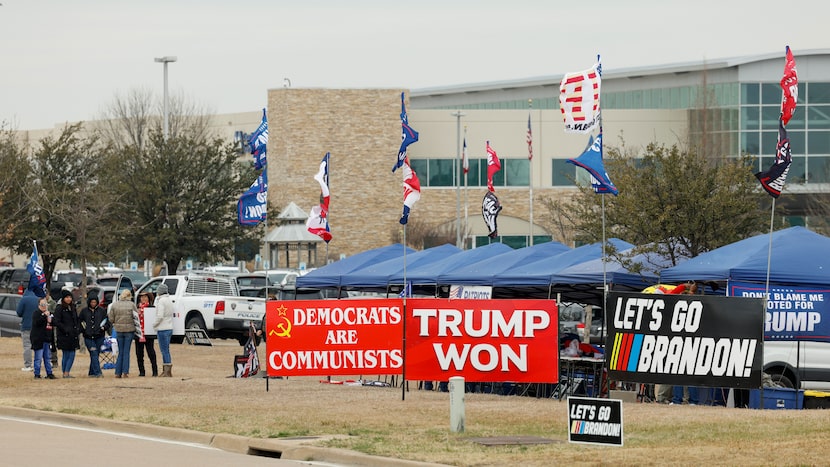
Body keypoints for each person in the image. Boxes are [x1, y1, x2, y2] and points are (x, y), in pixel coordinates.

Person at [108, 289, 138, 378]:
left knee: (120, 351)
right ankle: (125, 372)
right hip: (129, 330)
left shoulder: (115, 305)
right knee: (126, 352)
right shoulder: (132, 305)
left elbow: (110, 318)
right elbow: (136, 317)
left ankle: (118, 372)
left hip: (119, 330)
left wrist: (116, 322)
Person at [15, 285, 44, 372]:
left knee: (27, 346)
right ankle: (39, 364)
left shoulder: (24, 299)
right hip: (38, 326)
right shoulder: (39, 299)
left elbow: (19, 312)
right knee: (38, 346)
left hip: (26, 326)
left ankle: (28, 365)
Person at [79, 296, 109, 378]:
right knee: (94, 353)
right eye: (92, 302)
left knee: (95, 354)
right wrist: (84, 330)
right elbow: (80, 322)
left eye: (95, 302)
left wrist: (103, 328)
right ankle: (97, 372)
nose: (93, 304)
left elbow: (107, 322)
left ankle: (91, 372)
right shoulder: (84, 311)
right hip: (88, 337)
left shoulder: (102, 311)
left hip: (99, 336)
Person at [53, 289, 80, 378]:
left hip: (73, 334)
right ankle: (66, 372)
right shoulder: (59, 308)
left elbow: (76, 320)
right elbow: (56, 321)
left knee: (71, 353)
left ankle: (66, 372)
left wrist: (77, 329)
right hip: (64, 335)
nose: (69, 299)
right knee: (67, 354)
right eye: (67, 297)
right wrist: (65, 329)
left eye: (70, 297)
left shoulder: (73, 308)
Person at [31, 297, 56, 379]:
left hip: (47, 339)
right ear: (39, 305)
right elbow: (36, 323)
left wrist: (50, 319)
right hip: (38, 340)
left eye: (45, 304)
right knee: (38, 358)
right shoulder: (36, 313)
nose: (44, 306)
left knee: (47, 357)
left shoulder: (50, 314)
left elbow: (53, 324)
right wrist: (44, 316)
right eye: (42, 305)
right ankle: (37, 374)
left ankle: (49, 373)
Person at [134, 292, 158, 377]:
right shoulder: (136, 308)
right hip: (139, 333)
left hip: (148, 333)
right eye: (142, 297)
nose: (143, 299)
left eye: (145, 297)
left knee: (151, 353)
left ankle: (155, 371)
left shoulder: (152, 308)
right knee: (139, 354)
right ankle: (141, 371)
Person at [153, 283, 174, 377]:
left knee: (164, 350)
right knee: (167, 349)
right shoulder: (169, 300)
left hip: (162, 328)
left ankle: (166, 371)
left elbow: (160, 316)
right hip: (169, 327)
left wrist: (154, 324)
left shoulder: (161, 301)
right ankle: (167, 370)